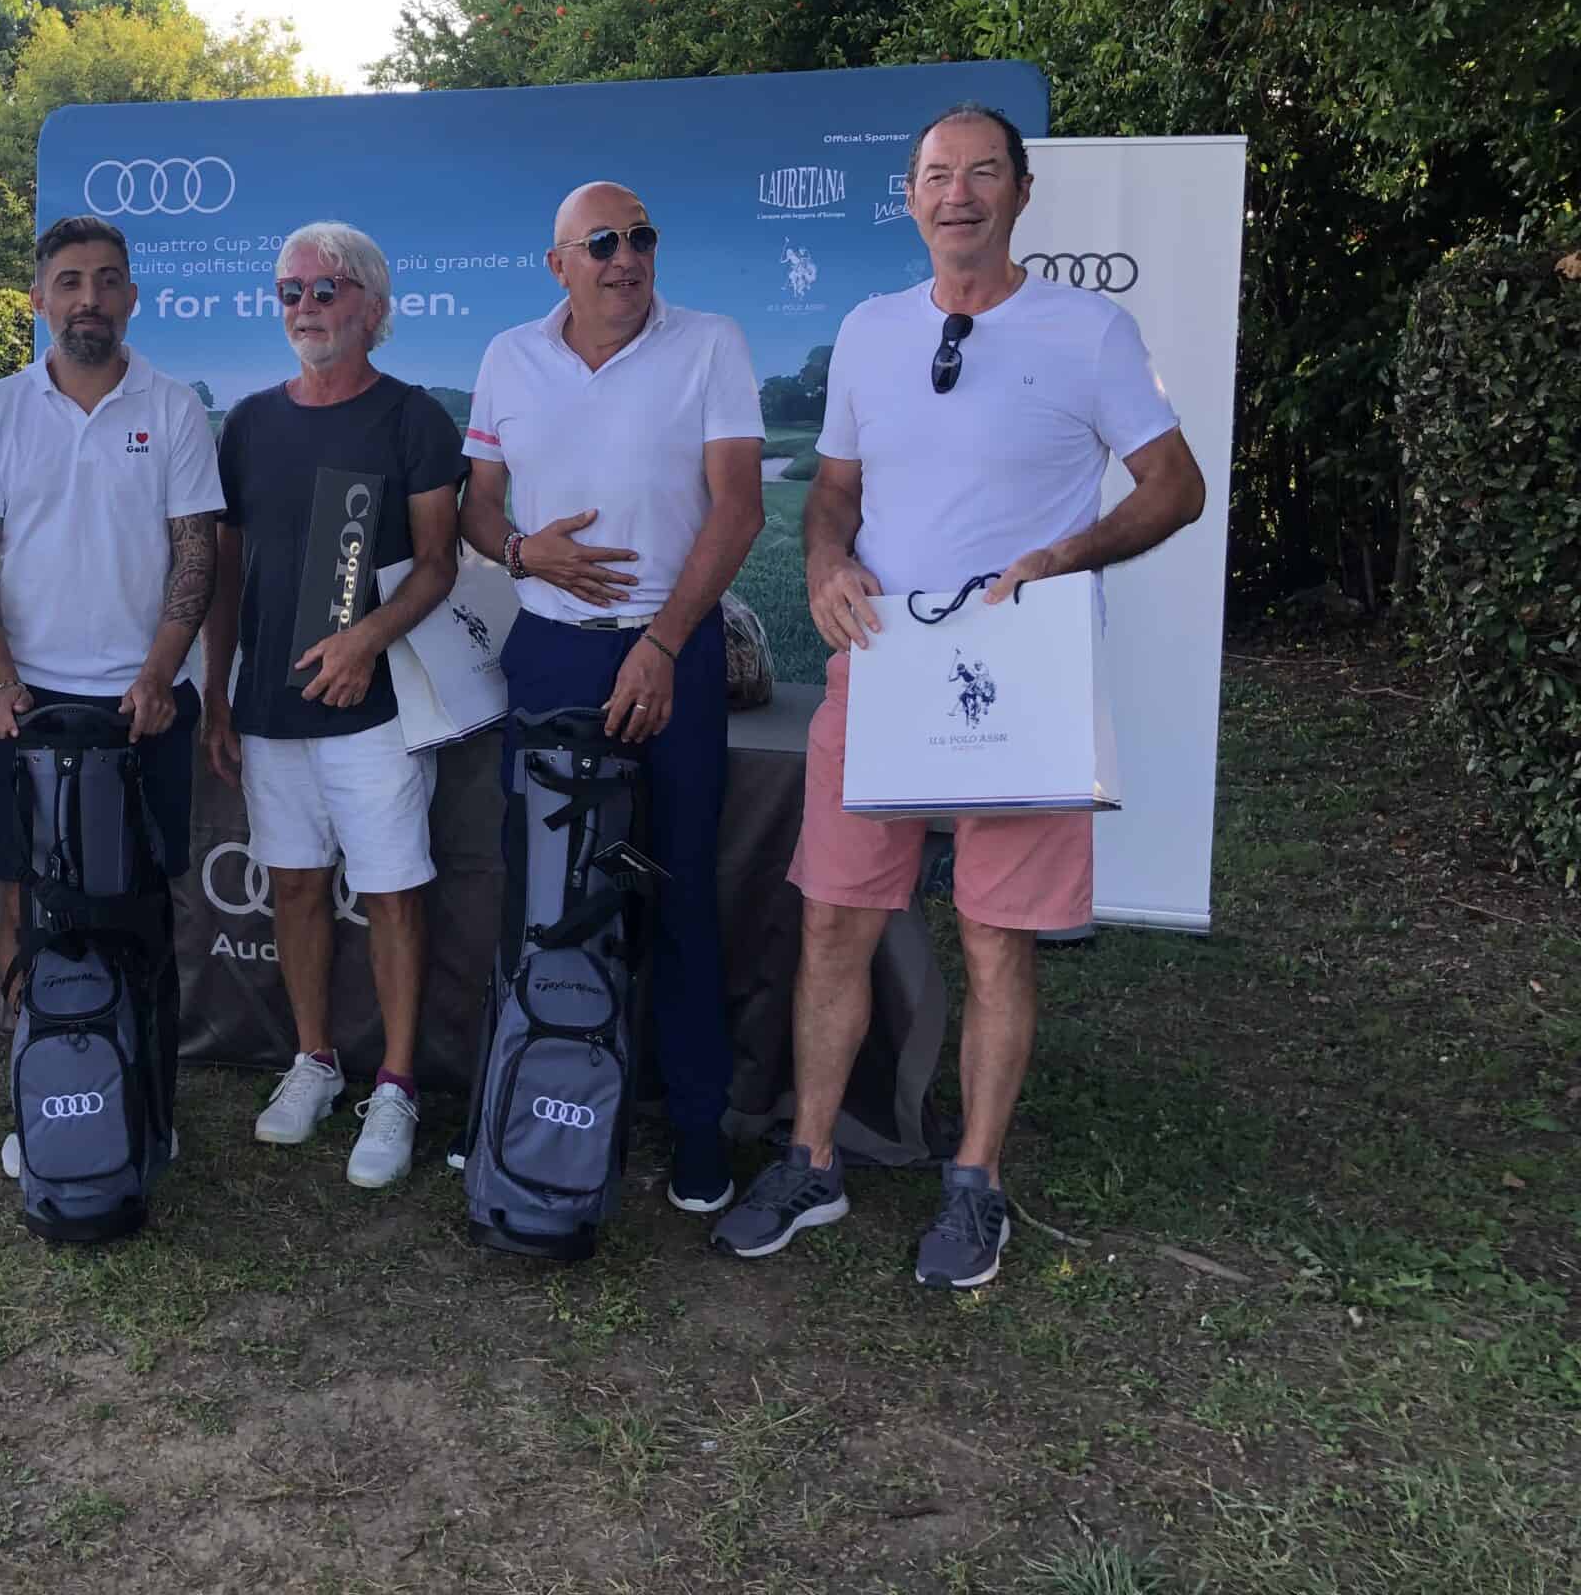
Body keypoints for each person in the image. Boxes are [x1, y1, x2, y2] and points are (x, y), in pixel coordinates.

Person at [713, 103, 1206, 1288]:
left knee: (995, 935)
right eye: (937, 175)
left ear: (1021, 193)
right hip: (883, 659)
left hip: (1019, 669)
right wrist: (824, 566)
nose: (959, 195)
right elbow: (834, 495)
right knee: (835, 918)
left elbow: (1174, 487)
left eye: (983, 173)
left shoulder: (1088, 330)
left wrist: (1065, 557)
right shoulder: (870, 330)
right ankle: (811, 1159)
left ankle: (974, 1181)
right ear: (910, 197)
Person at [459, 181, 768, 1216]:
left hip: (671, 656)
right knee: (540, 888)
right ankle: (514, 1096)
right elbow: (478, 506)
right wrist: (520, 552)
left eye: (639, 238)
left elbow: (740, 508)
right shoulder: (509, 356)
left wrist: (663, 642)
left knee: (672, 885)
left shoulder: (710, 343)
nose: (624, 257)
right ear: (558, 264)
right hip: (549, 656)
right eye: (600, 243)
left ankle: (695, 1126)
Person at [0, 216, 223, 1182]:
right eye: (68, 282)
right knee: (28, 902)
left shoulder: (174, 408)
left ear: (131, 298)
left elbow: (196, 554)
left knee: (143, 909)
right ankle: (43, 1096)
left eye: (106, 281)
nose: (88, 299)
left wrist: (158, 675)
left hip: (146, 704)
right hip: (27, 705)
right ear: (38, 300)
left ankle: (147, 1104)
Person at [200, 222, 463, 1190]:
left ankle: (394, 1085)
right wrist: (217, 692)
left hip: (377, 709)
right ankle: (313, 1060)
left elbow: (438, 565)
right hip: (269, 708)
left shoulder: (413, 419)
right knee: (298, 888)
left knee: (391, 894)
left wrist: (364, 641)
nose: (304, 307)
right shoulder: (247, 424)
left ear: (373, 307)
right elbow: (226, 570)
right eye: (289, 291)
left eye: (326, 289)